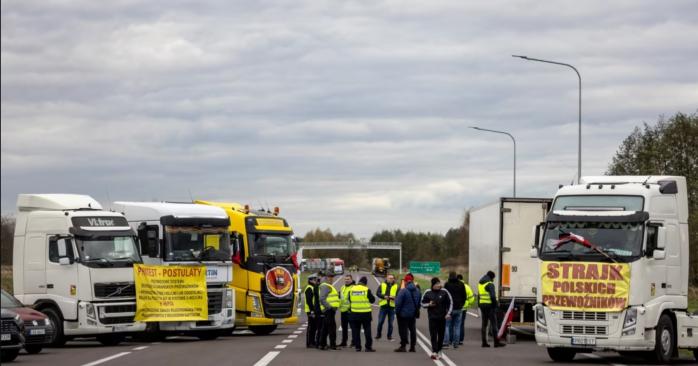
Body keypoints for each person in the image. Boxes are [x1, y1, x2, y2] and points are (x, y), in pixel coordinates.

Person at [421, 277, 453, 360]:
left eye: (439, 283)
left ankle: (439, 350)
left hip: (442, 317)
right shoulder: (428, 292)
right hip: (432, 318)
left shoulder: (444, 291)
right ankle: (434, 351)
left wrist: (448, 313)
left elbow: (451, 302)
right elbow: (422, 303)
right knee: (433, 335)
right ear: (433, 285)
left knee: (441, 336)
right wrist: (429, 304)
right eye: (436, 284)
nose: (438, 285)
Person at [394, 273, 421, 352]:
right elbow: (419, 303)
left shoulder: (403, 291)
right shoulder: (418, 291)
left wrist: (397, 312)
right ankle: (412, 347)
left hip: (403, 314)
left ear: (405, 281)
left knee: (403, 330)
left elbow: (398, 303)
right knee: (412, 330)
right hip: (413, 314)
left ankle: (403, 346)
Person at [349, 276, 376, 352]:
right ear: (365, 283)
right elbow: (372, 300)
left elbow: (349, 299)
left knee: (356, 331)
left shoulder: (352, 289)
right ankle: (368, 347)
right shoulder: (366, 289)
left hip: (354, 313)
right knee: (367, 330)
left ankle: (358, 347)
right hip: (365, 314)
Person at [479, 270, 505, 348]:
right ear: (491, 277)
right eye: (493, 278)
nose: (493, 279)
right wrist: (495, 305)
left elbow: (479, 295)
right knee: (494, 324)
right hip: (490, 306)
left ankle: (484, 342)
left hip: (482, 305)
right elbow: (493, 296)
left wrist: (479, 305)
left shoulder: (480, 284)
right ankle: (496, 342)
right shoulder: (490, 284)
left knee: (484, 324)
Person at [318, 271, 340, 350]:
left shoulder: (328, 285)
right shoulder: (325, 286)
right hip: (329, 310)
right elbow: (322, 298)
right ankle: (332, 345)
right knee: (332, 328)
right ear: (326, 277)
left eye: (332, 277)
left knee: (325, 328)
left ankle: (322, 344)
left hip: (329, 310)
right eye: (330, 277)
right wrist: (329, 307)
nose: (332, 278)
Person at [443, 272, 466, 349]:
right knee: (457, 326)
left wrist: (445, 306)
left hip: (449, 308)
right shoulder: (461, 284)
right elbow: (464, 296)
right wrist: (461, 304)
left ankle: (446, 342)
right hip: (459, 308)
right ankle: (456, 343)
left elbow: (444, 295)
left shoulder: (447, 284)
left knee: (447, 326)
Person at [375, 274, 398, 340]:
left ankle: (389, 336)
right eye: (389, 278)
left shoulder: (396, 286)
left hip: (392, 307)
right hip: (383, 306)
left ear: (394, 279)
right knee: (380, 322)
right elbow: (377, 293)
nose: (391, 279)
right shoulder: (382, 285)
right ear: (387, 278)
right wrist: (384, 296)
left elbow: (399, 295)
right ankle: (378, 335)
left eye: (392, 278)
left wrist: (394, 297)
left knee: (391, 323)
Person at [457, 274, 475, 345]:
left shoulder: (454, 286)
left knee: (454, 324)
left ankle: (453, 339)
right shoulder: (467, 287)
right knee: (461, 324)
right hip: (464, 308)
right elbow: (472, 298)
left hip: (455, 307)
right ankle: (461, 340)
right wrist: (469, 304)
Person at [338, 274, 355, 347]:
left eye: (348, 279)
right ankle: (344, 342)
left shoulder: (354, 288)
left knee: (353, 327)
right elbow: (340, 298)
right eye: (345, 279)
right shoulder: (342, 287)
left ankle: (354, 342)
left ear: (351, 280)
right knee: (344, 327)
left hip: (351, 311)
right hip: (343, 310)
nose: (346, 280)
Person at [304, 274, 320, 348]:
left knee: (314, 327)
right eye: (314, 280)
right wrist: (312, 310)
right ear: (310, 280)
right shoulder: (309, 288)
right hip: (311, 311)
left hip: (313, 310)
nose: (315, 281)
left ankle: (312, 342)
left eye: (315, 279)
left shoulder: (313, 287)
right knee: (311, 327)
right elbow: (309, 301)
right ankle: (310, 343)